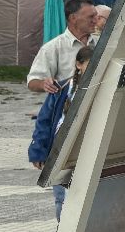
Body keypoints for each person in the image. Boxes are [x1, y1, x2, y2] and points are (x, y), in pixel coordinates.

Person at [30, 45, 92, 218]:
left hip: (85, 150)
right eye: (90, 64)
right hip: (60, 150)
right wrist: (38, 151)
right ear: (79, 65)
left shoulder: (100, 87)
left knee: (84, 197)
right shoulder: (63, 88)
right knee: (61, 197)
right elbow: (44, 121)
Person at [27, 0, 97, 94]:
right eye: (91, 17)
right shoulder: (52, 47)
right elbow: (32, 81)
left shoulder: (102, 42)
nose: (95, 20)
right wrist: (43, 84)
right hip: (69, 106)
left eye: (96, 16)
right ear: (73, 18)